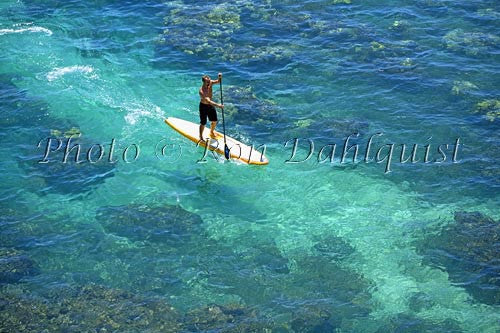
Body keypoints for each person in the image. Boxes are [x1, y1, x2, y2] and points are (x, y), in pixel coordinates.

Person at [199, 73, 224, 141]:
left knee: (214, 121)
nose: (209, 82)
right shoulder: (201, 91)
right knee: (203, 123)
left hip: (210, 105)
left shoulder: (210, 83)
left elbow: (218, 81)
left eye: (209, 80)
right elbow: (208, 101)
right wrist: (218, 105)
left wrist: (219, 77)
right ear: (204, 82)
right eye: (207, 81)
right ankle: (201, 136)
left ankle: (212, 131)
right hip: (203, 107)